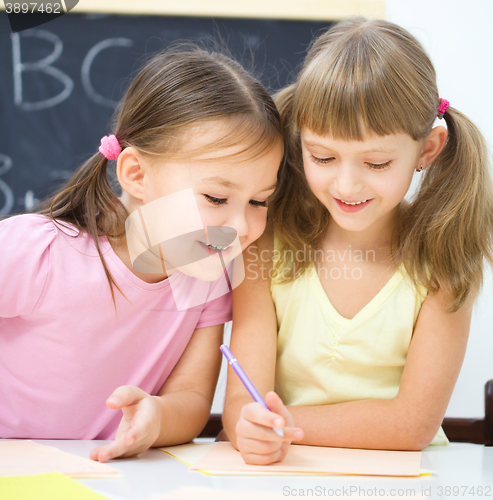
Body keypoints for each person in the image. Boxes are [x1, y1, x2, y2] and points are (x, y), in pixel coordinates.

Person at [222, 17, 493, 465]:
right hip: (285, 478)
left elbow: (411, 426)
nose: (346, 186)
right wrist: (247, 426)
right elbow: (240, 405)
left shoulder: (443, 263)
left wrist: (283, 426)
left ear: (428, 149)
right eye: (323, 157)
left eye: (377, 163)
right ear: (300, 142)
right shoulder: (265, 246)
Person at [0, 43, 283, 463]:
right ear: (135, 174)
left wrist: (157, 417)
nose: (241, 228)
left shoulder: (208, 277)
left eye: (259, 202)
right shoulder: (34, 250)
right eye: (216, 197)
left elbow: (189, 401)